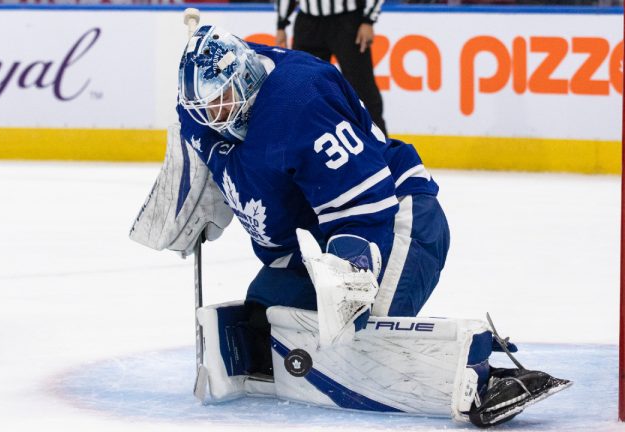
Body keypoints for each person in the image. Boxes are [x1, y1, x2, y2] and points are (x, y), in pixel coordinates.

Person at [130, 27, 571, 427]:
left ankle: (478, 374)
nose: (216, 114)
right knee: (263, 321)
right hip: (317, 236)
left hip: (397, 218)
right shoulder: (202, 113)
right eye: (204, 107)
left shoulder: (298, 101)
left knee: (353, 342)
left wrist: (348, 285)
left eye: (223, 99)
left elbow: (364, 207)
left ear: (245, 78)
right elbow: (201, 150)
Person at [274, 0, 388, 135]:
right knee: (303, 89)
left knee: (362, 89)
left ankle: (382, 148)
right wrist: (281, 23)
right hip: (308, 22)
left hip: (348, 21)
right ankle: (308, 145)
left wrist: (368, 20)